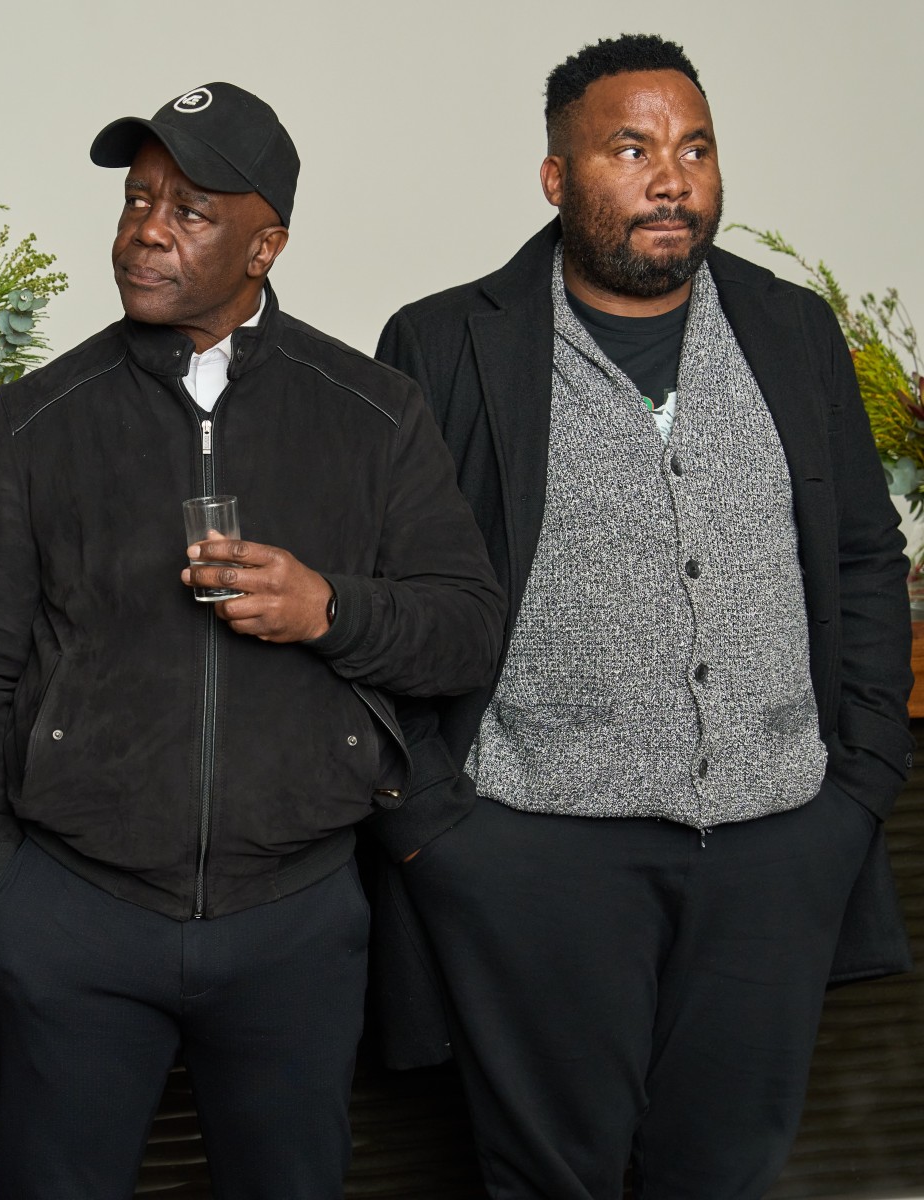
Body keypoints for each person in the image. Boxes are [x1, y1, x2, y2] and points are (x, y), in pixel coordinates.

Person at [0, 83, 505, 1199]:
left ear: (264, 246)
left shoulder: (375, 413)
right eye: (138, 200)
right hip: (72, 915)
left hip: (296, 917)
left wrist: (328, 608)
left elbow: (468, 632)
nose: (146, 229)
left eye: (188, 210)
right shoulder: (34, 421)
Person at [371, 34, 914, 1200]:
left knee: (726, 1173)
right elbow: (389, 596)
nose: (672, 178)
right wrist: (436, 829)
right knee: (551, 1178)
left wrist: (860, 785)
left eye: (695, 149)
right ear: (556, 178)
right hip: (536, 853)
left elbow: (864, 556)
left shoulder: (790, 329)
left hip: (776, 845)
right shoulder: (446, 343)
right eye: (631, 149)